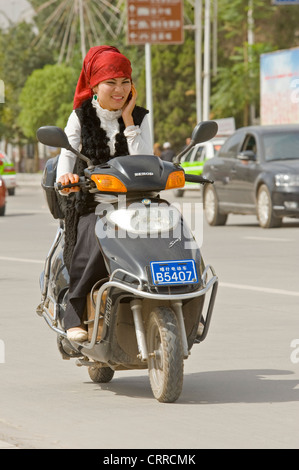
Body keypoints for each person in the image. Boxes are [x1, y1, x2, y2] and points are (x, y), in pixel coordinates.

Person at [56, 45, 153, 342]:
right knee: (97, 235)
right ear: (94, 85)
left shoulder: (139, 116)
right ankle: (73, 312)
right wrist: (67, 177)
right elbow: (66, 155)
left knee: (174, 233)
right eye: (111, 82)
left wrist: (128, 122)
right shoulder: (80, 116)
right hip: (93, 203)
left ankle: (180, 299)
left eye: (125, 82)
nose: (119, 89)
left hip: (137, 204)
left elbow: (146, 162)